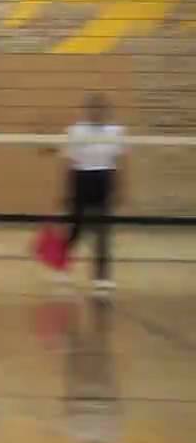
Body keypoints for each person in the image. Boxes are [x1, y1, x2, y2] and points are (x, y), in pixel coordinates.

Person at [63, 94, 126, 295]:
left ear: (106, 110)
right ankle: (61, 266)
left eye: (101, 108)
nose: (97, 111)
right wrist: (65, 191)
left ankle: (102, 276)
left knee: (103, 231)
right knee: (76, 229)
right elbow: (69, 162)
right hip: (81, 178)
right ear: (87, 110)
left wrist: (121, 189)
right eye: (93, 108)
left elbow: (121, 162)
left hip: (104, 178)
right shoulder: (76, 131)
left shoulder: (116, 131)